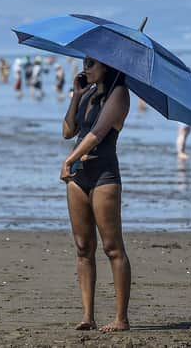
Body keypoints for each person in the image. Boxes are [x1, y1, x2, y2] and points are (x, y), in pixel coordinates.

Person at [60, 56, 131, 332]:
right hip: (79, 177)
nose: (85, 68)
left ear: (107, 66)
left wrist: (68, 161)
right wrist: (76, 96)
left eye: (91, 64)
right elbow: (68, 131)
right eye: (85, 63)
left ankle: (121, 319)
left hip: (104, 176)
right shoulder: (88, 94)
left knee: (112, 247)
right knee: (82, 247)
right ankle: (87, 316)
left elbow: (98, 134)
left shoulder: (120, 94)